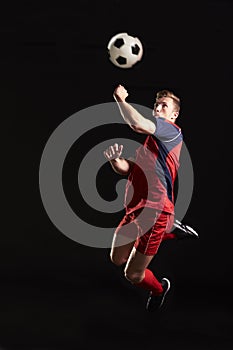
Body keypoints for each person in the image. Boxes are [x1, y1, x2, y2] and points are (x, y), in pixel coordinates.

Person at [104, 84, 198, 312]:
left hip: (155, 211)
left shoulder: (170, 130)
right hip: (135, 209)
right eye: (156, 105)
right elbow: (129, 170)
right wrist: (116, 162)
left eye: (164, 106)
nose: (158, 108)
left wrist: (121, 101)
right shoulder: (150, 144)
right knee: (116, 258)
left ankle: (159, 290)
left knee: (132, 274)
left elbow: (136, 123)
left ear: (174, 114)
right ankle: (171, 231)